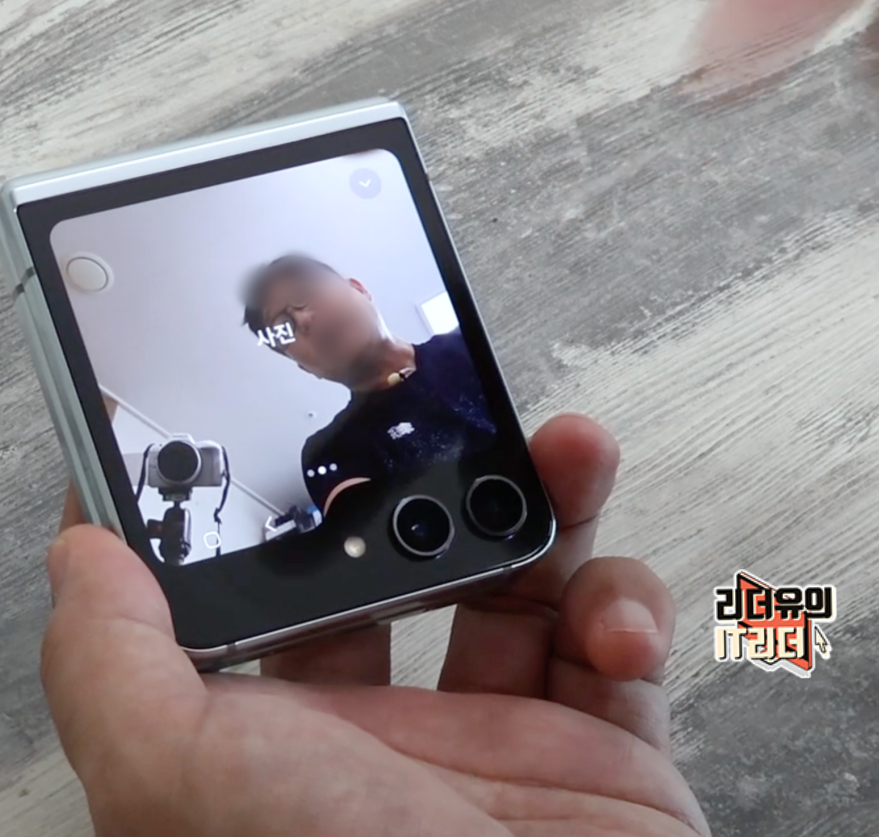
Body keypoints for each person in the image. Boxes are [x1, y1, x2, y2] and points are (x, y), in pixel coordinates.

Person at [41, 414, 712, 837]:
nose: (295, 327)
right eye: (281, 325)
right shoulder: (330, 443)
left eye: (295, 305)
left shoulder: (431, 387)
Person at [240, 255, 496, 515]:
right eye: (282, 327)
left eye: (302, 294)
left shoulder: (476, 337)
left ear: (359, 289)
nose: (303, 320)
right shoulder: (331, 453)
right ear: (305, 368)